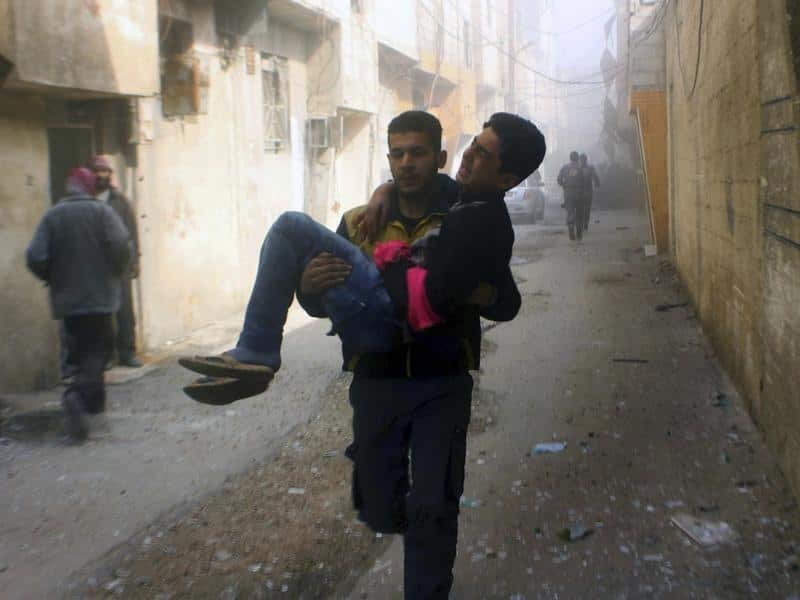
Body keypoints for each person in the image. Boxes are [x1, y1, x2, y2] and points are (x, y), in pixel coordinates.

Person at [181, 111, 546, 598]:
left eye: (419, 153)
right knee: (378, 502)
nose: (407, 163)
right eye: (398, 154)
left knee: (435, 503)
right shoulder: (360, 221)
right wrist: (307, 288)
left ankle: (427, 585)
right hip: (376, 380)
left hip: (441, 381)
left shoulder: (468, 209)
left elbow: (508, 298)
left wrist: (475, 294)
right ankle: (401, 513)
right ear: (389, 158)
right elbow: (327, 295)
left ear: (438, 157)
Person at [26, 168, 131, 441]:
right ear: (89, 187)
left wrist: (52, 277)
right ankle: (78, 399)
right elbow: (121, 244)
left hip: (68, 304)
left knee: (77, 355)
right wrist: (116, 272)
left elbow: (35, 256)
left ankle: (90, 415)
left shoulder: (53, 216)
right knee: (98, 354)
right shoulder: (102, 213)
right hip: (100, 300)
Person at [89, 155, 142, 368]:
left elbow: (131, 231)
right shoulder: (87, 201)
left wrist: (135, 259)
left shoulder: (120, 201)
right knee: (102, 314)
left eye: (106, 172)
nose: (102, 176)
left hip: (119, 265)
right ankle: (106, 356)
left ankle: (127, 352)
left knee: (125, 312)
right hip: (95, 266)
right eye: (97, 172)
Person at [557, 151, 586, 240]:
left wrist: (564, 185)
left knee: (570, 212)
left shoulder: (564, 167)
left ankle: (570, 228)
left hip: (568, 193)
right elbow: (584, 180)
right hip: (579, 193)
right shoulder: (581, 167)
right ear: (577, 158)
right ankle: (579, 232)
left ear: (570, 158)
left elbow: (559, 179)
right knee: (579, 213)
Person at [579, 153, 600, 232]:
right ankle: (585, 223)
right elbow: (595, 177)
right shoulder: (590, 168)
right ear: (586, 160)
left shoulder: (578, 168)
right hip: (588, 191)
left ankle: (582, 223)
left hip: (580, 192)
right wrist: (597, 184)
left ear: (580, 160)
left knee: (580, 208)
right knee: (587, 208)